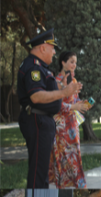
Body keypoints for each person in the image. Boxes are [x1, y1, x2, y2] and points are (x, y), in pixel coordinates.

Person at [17, 28, 82, 188]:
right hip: (37, 121)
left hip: (42, 121)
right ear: (43, 47)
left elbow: (43, 90)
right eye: (52, 48)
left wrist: (60, 85)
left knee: (42, 171)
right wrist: (63, 92)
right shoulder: (33, 67)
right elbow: (36, 96)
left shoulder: (40, 66)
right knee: (39, 173)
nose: (54, 52)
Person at [49, 50, 90, 188]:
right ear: (63, 62)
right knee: (62, 156)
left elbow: (75, 100)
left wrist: (82, 104)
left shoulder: (73, 81)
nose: (74, 65)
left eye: (76, 63)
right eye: (71, 62)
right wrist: (73, 106)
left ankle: (79, 184)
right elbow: (56, 105)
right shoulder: (55, 81)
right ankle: (65, 186)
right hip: (61, 126)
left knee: (75, 154)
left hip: (72, 125)